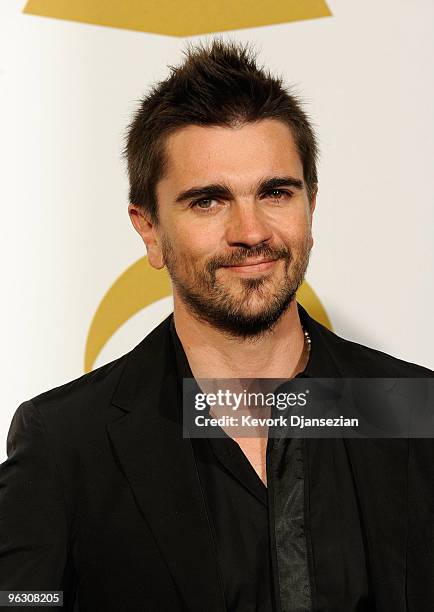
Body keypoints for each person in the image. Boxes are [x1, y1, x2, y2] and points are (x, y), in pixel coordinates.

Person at [0, 39, 432, 612]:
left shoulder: (414, 415)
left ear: (311, 205)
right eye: (208, 201)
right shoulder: (67, 445)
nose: (251, 231)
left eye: (276, 192)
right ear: (149, 229)